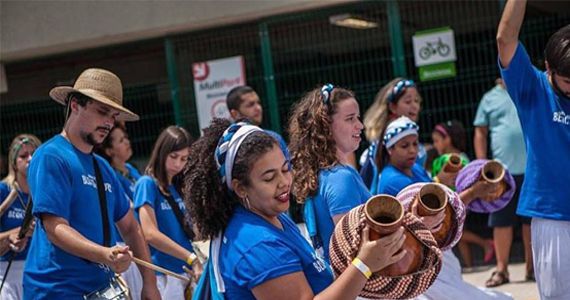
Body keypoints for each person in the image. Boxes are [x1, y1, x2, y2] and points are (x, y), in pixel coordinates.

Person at [183, 118, 406, 299]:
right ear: (240, 188)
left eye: (285, 169)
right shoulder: (257, 245)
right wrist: (364, 265)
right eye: (269, 178)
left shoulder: (272, 216)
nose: (284, 182)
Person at [23, 68, 160, 299]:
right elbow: (55, 227)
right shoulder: (51, 156)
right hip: (56, 291)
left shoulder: (103, 167)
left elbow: (130, 227)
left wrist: (149, 282)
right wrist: (105, 254)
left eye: (113, 116)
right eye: (102, 112)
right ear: (75, 105)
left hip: (100, 289)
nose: (109, 122)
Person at [375, 116, 512, 300]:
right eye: (404, 146)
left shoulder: (415, 168)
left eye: (415, 144)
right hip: (417, 260)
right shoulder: (392, 180)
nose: (412, 150)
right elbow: (437, 214)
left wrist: (441, 181)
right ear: (389, 149)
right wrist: (473, 192)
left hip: (435, 251)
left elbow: (435, 196)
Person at [497, 1, 570, 298]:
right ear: (548, 67)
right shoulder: (531, 88)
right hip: (552, 217)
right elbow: (505, 38)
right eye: (568, 82)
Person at [288, 84, 372, 263]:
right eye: (350, 119)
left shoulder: (323, 175)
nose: (360, 125)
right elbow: (354, 253)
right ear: (325, 125)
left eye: (358, 117)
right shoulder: (341, 178)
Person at [474, 78, 533, 286]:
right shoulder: (489, 98)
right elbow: (480, 131)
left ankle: (532, 268)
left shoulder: (527, 89)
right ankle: (502, 270)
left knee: (531, 222)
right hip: (501, 173)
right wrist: (482, 165)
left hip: (532, 168)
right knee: (501, 222)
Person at [134, 125, 201, 299]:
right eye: (173, 157)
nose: (178, 164)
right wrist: (191, 258)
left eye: (184, 159)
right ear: (162, 152)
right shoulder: (147, 184)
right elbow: (150, 234)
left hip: (187, 273)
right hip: (165, 275)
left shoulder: (177, 187)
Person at [360, 78, 455, 193]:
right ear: (392, 107)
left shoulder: (414, 165)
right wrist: (439, 181)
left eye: (417, 101)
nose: (415, 106)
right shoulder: (390, 174)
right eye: (408, 102)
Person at [432, 120, 495, 270]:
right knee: (459, 235)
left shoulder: (455, 159)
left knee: (456, 233)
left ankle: (485, 243)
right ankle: (468, 266)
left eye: (437, 141)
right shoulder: (458, 157)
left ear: (447, 139)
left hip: (459, 200)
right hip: (457, 199)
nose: (435, 145)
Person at [94, 123, 144, 298]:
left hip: (141, 244)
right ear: (109, 151)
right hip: (123, 249)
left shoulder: (132, 170)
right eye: (121, 140)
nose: (127, 142)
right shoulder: (111, 176)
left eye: (126, 138)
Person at [0, 134, 41, 299]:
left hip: (37, 271)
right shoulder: (4, 190)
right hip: (7, 275)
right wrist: (13, 234)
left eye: (34, 154)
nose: (30, 159)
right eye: (23, 156)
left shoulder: (43, 191)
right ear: (14, 163)